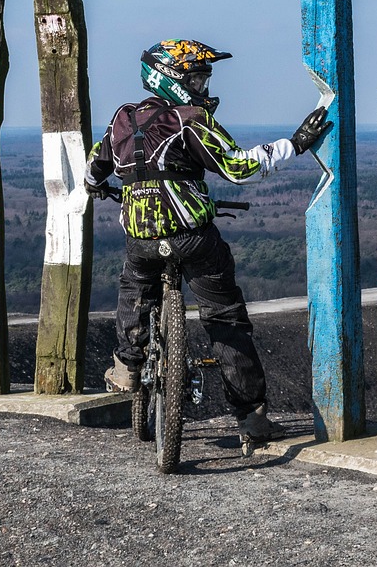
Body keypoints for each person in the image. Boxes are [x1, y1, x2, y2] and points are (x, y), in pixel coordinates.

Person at [84, 39, 330, 442]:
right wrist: (296, 143)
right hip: (193, 236)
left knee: (133, 289)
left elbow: (95, 166)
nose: (202, 86)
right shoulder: (190, 118)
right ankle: (251, 418)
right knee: (226, 318)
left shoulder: (121, 120)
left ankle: (129, 365)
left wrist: (97, 187)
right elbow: (237, 167)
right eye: (195, 77)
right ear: (171, 80)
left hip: (142, 237)